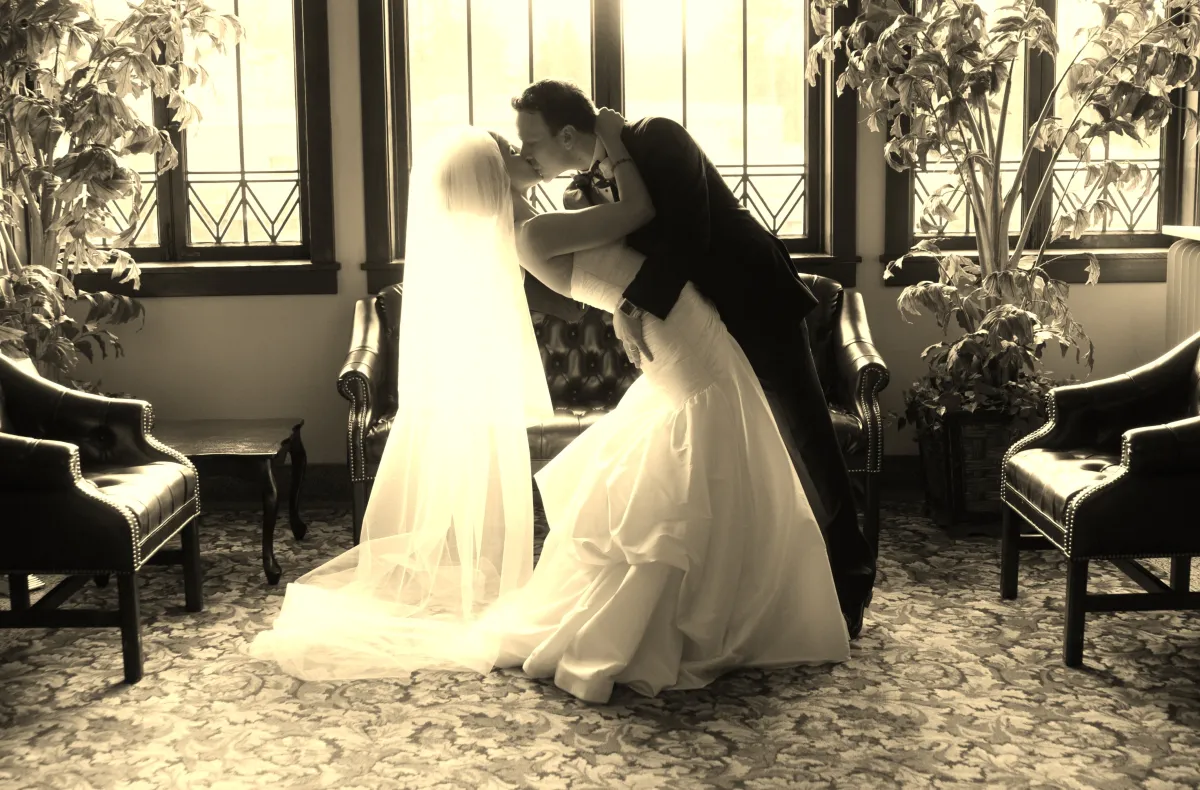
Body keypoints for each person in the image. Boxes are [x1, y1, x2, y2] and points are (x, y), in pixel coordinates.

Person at [247, 120, 848, 704]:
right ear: (493, 175)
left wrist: (620, 277)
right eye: (512, 149)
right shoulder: (534, 235)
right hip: (676, 333)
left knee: (712, 447)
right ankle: (703, 615)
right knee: (714, 442)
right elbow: (639, 212)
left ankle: (723, 603)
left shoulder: (542, 225)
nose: (525, 153)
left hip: (672, 323)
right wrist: (612, 140)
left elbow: (629, 246)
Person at [510, 79, 876, 638]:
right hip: (696, 324)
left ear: (565, 134)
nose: (526, 152)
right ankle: (754, 588)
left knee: (807, 442)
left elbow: (689, 236)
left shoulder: (657, 137)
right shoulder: (590, 183)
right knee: (740, 451)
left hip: (754, 302)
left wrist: (631, 304)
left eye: (531, 140)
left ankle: (850, 587)